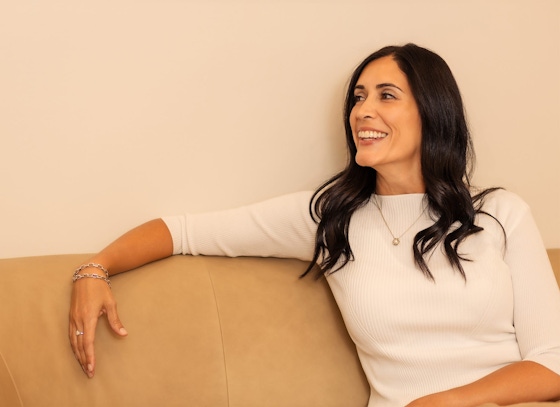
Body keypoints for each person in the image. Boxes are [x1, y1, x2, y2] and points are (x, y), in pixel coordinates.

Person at [69, 43, 560, 406]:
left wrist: (452, 401)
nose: (363, 111)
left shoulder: (500, 214)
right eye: (358, 97)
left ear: (433, 113)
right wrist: (95, 269)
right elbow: (184, 231)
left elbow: (552, 362)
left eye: (387, 96)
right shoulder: (330, 218)